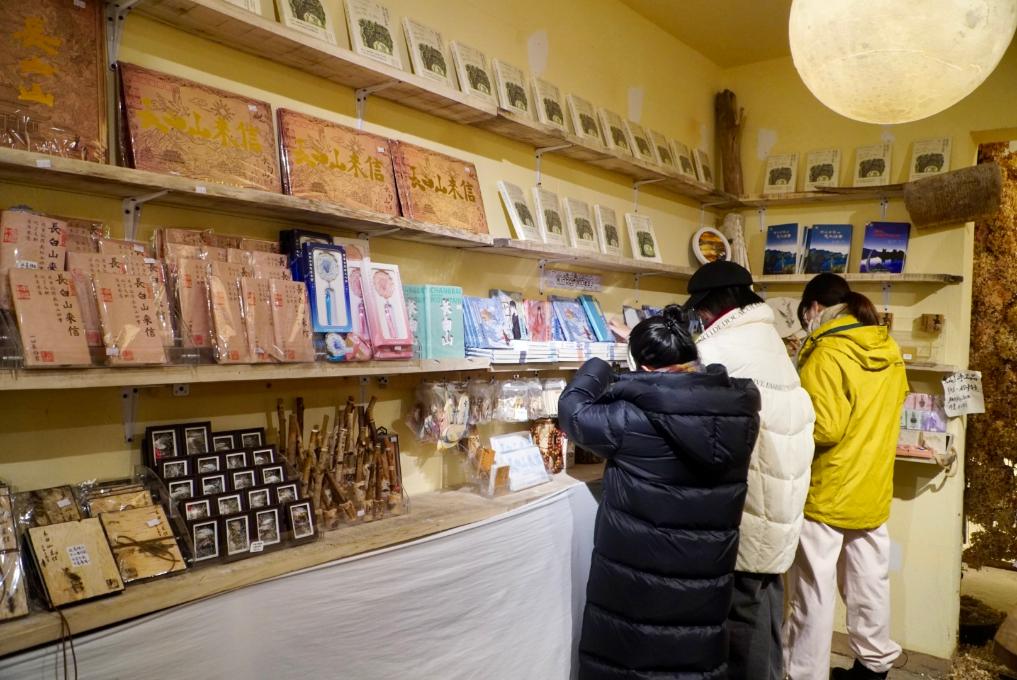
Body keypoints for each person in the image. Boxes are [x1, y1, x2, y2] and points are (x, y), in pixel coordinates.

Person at [558, 308, 761, 679]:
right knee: (691, 659)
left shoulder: (631, 420)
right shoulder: (738, 414)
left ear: (643, 367)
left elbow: (573, 410)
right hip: (705, 585)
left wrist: (600, 364)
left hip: (639, 591)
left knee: (633, 663)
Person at [685, 261, 816, 680]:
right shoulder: (768, 338)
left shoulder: (718, 350)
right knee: (763, 606)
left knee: (743, 626)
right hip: (779, 496)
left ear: (714, 306)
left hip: (749, 503)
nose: (700, 318)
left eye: (701, 310)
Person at [783, 273, 909, 680]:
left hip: (828, 488)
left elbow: (825, 428)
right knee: (869, 584)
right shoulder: (887, 347)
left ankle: (805, 674)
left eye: (804, 315)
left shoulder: (827, 352)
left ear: (815, 308)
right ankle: (874, 666)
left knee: (813, 594)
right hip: (873, 485)